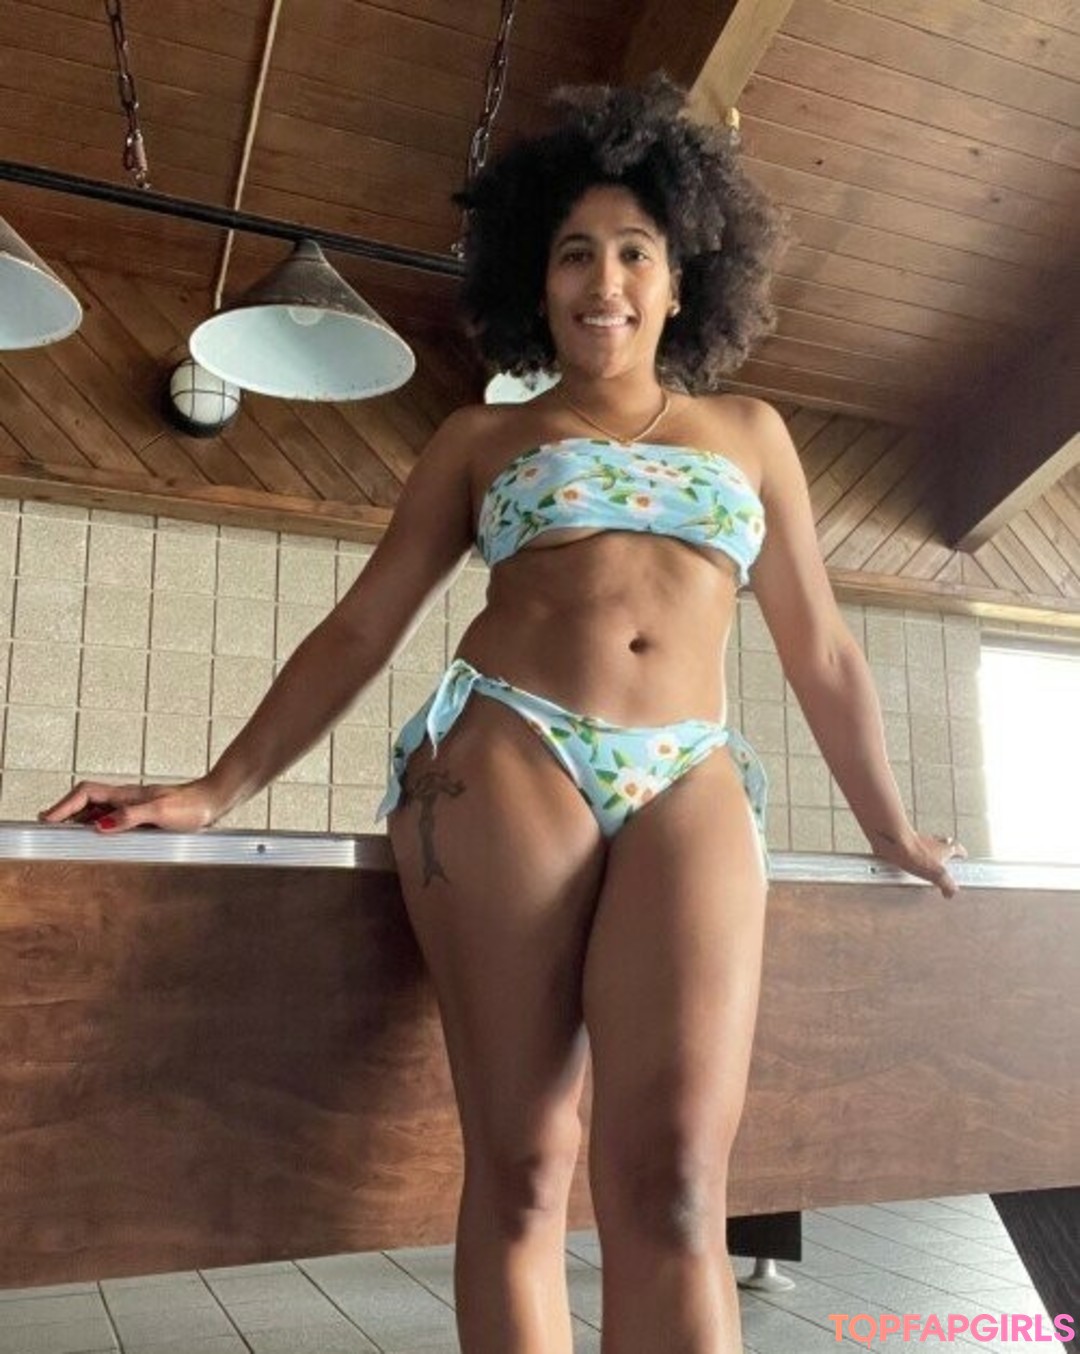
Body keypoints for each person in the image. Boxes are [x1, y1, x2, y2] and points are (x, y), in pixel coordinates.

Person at [42, 77, 965, 1354]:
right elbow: (361, 627)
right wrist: (216, 787)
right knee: (527, 1166)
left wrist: (893, 825)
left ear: (682, 281)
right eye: (575, 252)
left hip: (688, 769)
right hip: (511, 748)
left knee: (680, 1186)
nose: (605, 279)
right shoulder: (480, 439)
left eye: (635, 252)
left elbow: (821, 646)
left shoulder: (753, 435)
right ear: (538, 279)